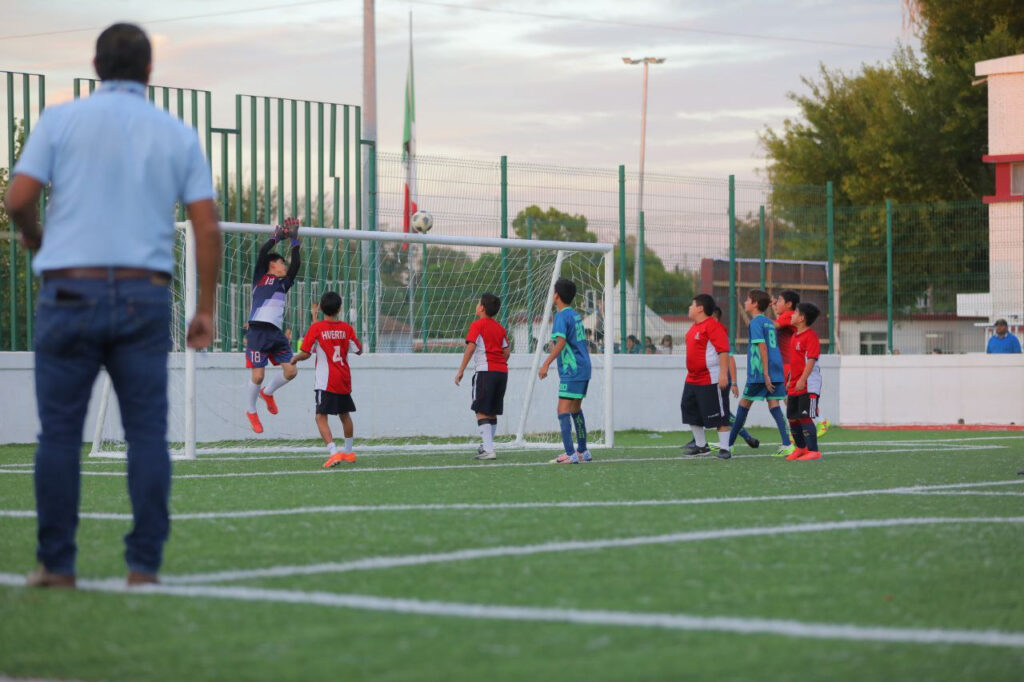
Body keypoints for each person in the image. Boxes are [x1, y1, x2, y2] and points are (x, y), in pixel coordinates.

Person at [3, 23, 222, 587]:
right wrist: (205, 307)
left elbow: (19, 199)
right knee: (147, 433)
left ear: (95, 66)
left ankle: (57, 563)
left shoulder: (60, 120)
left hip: (68, 293)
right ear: (150, 71)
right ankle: (143, 565)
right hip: (143, 296)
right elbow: (206, 227)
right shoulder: (176, 133)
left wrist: (33, 239)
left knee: (59, 434)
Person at [290, 292, 362, 468]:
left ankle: (333, 452)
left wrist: (295, 359)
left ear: (321, 308)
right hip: (344, 378)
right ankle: (349, 452)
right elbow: (359, 350)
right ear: (339, 308)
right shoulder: (346, 328)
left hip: (326, 381)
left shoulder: (316, 329)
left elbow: (306, 353)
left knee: (320, 417)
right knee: (344, 415)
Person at [244, 216, 302, 433]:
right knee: (257, 375)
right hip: (258, 331)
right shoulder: (260, 276)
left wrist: (294, 240)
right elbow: (262, 254)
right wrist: (275, 239)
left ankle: (267, 393)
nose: (285, 266)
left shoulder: (283, 283)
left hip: (275, 334)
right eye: (281, 262)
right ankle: (251, 410)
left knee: (291, 371)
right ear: (273, 264)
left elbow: (296, 264)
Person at [728, 289, 794, 457]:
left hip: (760, 372)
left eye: (748, 299)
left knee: (744, 404)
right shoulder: (769, 322)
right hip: (777, 368)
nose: (745, 302)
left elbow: (762, 347)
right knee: (774, 404)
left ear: (755, 304)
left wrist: (764, 373)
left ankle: (727, 445)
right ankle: (787, 443)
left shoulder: (756, 323)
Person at [539, 278, 593, 464]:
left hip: (573, 370)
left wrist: (545, 363)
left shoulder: (561, 316)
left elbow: (560, 342)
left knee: (562, 409)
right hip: (584, 367)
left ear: (556, 295)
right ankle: (583, 451)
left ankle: (570, 453)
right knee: (575, 408)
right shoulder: (575, 315)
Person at [454, 292, 511, 460]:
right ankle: (487, 446)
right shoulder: (500, 328)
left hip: (486, 372)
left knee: (480, 410)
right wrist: (499, 363)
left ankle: (488, 450)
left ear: (482, 308)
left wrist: (461, 370)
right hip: (502, 372)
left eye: (478, 302)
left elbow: (471, 348)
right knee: (491, 412)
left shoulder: (477, 325)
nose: (476, 305)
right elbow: (506, 351)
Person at [679, 294, 732, 458]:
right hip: (692, 378)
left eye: (692, 305)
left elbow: (723, 350)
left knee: (720, 414)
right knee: (689, 409)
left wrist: (723, 373)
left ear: (700, 308)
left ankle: (725, 448)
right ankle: (701, 446)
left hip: (711, 378)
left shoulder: (713, 326)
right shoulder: (693, 328)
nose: (689, 307)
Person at [774, 290, 829, 438]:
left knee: (790, 396)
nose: (775, 303)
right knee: (788, 396)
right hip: (788, 364)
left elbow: (773, 326)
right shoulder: (788, 318)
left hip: (789, 365)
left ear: (789, 304)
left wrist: (758, 319)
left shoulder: (788, 315)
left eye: (778, 300)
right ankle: (800, 430)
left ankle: (819, 421)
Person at [784, 303, 823, 461]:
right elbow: (796, 361)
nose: (792, 315)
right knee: (792, 417)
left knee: (805, 416)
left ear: (801, 318)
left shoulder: (811, 336)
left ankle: (814, 451)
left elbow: (811, 360)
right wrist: (790, 379)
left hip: (809, 384)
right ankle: (801, 448)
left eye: (795, 313)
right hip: (795, 383)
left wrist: (802, 379)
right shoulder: (794, 336)